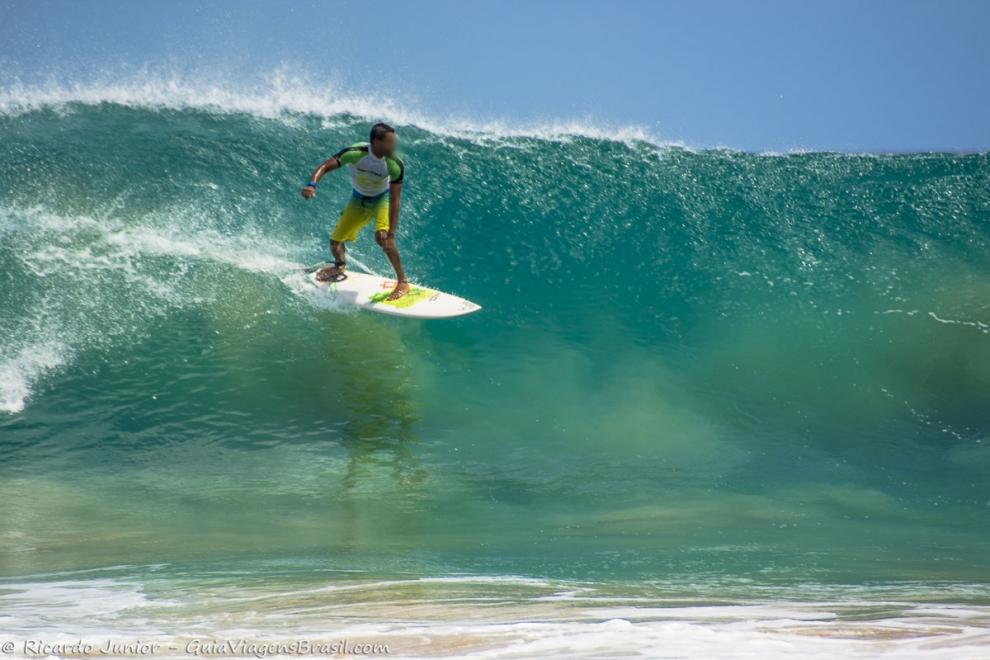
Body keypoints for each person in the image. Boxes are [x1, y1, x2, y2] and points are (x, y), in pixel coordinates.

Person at [301, 122, 408, 300]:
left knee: (383, 238)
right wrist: (312, 185)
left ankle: (403, 281)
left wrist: (392, 233)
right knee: (335, 242)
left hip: (381, 199)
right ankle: (339, 265)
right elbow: (325, 166)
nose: (394, 146)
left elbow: (395, 200)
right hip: (358, 199)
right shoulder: (355, 153)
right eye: (390, 142)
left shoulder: (394, 164)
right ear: (376, 141)